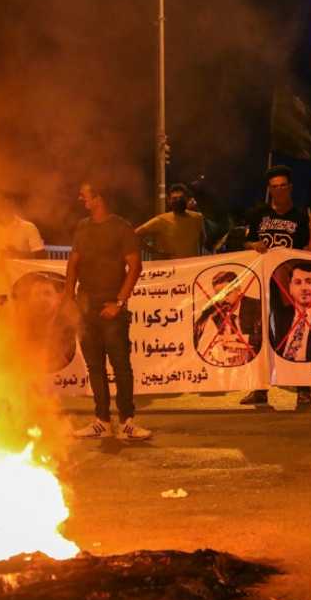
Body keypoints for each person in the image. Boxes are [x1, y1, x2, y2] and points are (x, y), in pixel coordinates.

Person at [65, 182, 151, 440]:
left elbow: (135, 267)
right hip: (86, 307)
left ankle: (127, 422)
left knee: (121, 366)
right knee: (95, 367)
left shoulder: (121, 228)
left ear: (98, 198)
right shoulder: (82, 227)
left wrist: (119, 303)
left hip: (110, 307)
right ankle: (101, 420)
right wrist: (69, 297)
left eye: (85, 195)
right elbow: (73, 264)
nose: (81, 198)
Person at [241, 166, 311, 409]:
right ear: (269, 190)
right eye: (274, 187)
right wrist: (253, 245)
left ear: (290, 188)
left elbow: (310, 254)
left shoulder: (300, 217)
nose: (278, 191)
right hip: (263, 287)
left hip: (289, 290)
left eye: (283, 186)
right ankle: (260, 389)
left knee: (295, 337)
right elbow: (246, 243)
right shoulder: (258, 214)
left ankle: (303, 389)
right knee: (259, 336)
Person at [194, 270, 263, 367]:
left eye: (227, 293)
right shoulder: (216, 311)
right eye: (219, 295)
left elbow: (263, 339)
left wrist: (238, 337)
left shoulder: (257, 306)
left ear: (238, 289)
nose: (223, 299)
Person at [133, 183, 206, 260]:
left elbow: (202, 239)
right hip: (170, 268)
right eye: (174, 198)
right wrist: (151, 251)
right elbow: (133, 235)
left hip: (192, 267)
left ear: (186, 199)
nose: (178, 201)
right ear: (169, 201)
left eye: (181, 198)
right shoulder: (160, 220)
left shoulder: (197, 217)